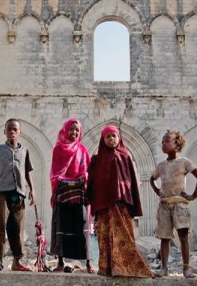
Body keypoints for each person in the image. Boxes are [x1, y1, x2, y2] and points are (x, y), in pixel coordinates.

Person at [87, 125, 153, 278]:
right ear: (103, 140)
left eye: (114, 136)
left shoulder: (125, 157)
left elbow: (131, 183)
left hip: (121, 204)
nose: (111, 139)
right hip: (104, 206)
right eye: (108, 136)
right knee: (105, 236)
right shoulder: (97, 159)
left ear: (119, 138)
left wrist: (132, 203)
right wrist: (91, 199)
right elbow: (92, 181)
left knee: (124, 236)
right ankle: (107, 268)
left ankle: (126, 268)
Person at [0, 118, 36, 272]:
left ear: (19, 133)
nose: (12, 132)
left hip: (18, 194)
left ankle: (17, 261)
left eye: (15, 130)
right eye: (9, 129)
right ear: (4, 132)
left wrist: (32, 189)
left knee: (17, 227)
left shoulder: (24, 151)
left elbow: (26, 171)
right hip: (1, 194)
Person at [150, 130, 197, 278]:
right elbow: (151, 179)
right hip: (165, 204)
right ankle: (164, 268)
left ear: (177, 144)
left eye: (167, 141)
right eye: (162, 141)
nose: (163, 143)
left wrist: (192, 196)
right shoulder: (161, 166)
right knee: (164, 237)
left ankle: (186, 268)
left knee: (183, 236)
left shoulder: (184, 162)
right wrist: (157, 190)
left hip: (180, 204)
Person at [49, 118, 95, 274]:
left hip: (79, 195)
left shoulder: (82, 150)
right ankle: (60, 263)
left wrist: (82, 178)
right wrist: (64, 181)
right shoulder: (58, 149)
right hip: (63, 194)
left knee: (82, 228)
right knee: (61, 227)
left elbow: (86, 170)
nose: (74, 132)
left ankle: (89, 264)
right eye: (71, 129)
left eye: (77, 130)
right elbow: (55, 173)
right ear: (65, 131)